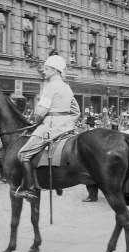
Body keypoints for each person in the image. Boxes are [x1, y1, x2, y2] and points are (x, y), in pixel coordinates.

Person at [17, 55, 80, 201]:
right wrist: (67, 123)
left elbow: (40, 112)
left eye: (46, 69)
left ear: (54, 70)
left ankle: (30, 190)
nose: (43, 72)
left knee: (23, 154)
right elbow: (76, 112)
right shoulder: (67, 87)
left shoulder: (49, 87)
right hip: (66, 128)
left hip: (50, 127)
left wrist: (37, 122)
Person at [82, 116, 99, 202]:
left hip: (89, 158)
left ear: (88, 125)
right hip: (98, 158)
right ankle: (94, 195)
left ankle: (92, 196)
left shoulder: (87, 134)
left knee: (88, 178)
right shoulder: (97, 133)